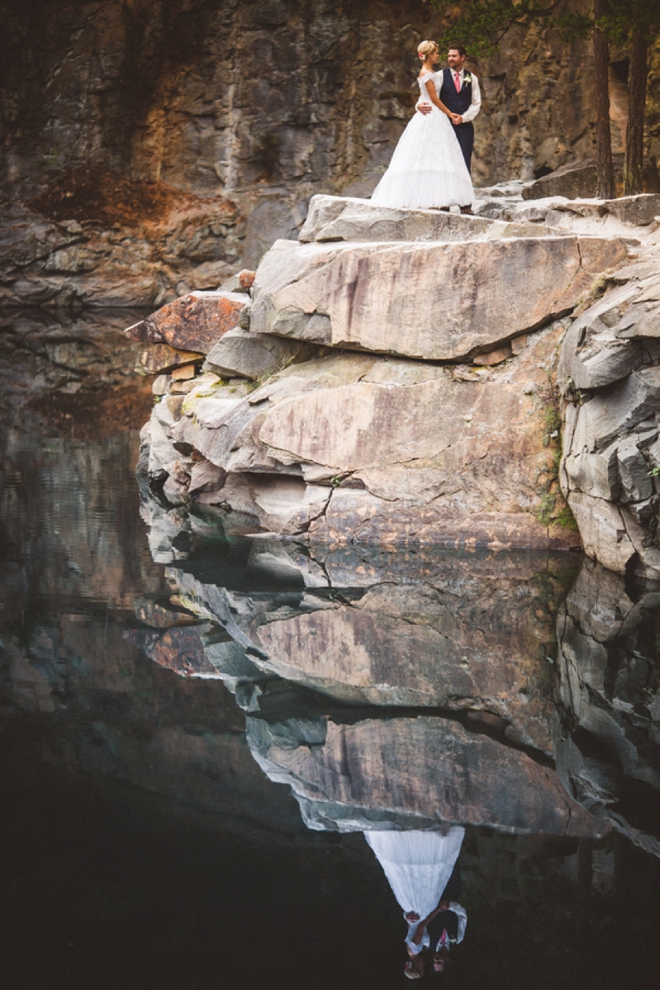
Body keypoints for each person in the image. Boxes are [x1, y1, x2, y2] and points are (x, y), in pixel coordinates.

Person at [369, 40, 474, 212]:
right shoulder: (426, 73)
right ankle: (429, 198)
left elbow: (422, 95)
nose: (438, 56)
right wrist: (448, 113)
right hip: (433, 116)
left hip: (435, 115)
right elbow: (433, 98)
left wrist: (420, 103)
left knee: (440, 156)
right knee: (429, 155)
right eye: (436, 53)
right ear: (429, 54)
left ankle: (441, 199)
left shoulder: (433, 72)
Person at [363, 826, 466, 980]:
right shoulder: (455, 938)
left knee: (427, 869)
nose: (432, 960)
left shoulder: (422, 945)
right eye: (438, 961)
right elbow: (463, 915)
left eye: (434, 962)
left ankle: (431, 835)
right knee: (450, 862)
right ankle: (442, 835)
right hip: (449, 894)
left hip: (431, 897)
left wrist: (410, 916)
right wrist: (450, 906)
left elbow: (418, 924)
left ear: (416, 965)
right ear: (447, 960)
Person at [418, 44, 482, 206]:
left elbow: (476, 103)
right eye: (448, 56)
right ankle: (444, 203)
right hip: (443, 126)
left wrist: (464, 118)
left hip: (464, 127)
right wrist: (418, 106)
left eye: (454, 56)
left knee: (464, 162)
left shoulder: (472, 78)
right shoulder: (439, 75)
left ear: (463, 57)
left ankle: (465, 204)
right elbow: (426, 96)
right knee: (443, 163)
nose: (450, 59)